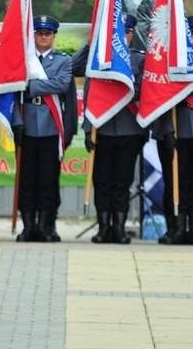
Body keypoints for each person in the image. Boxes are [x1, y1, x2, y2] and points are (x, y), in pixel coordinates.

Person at [79, 14, 146, 244]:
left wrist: (117, 82)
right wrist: (88, 129)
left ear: (131, 34)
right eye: (120, 31)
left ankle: (119, 228)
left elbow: (141, 90)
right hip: (102, 127)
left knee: (123, 181)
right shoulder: (98, 56)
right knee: (103, 180)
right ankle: (103, 227)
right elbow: (80, 74)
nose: (124, 35)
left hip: (130, 128)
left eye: (127, 32)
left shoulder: (139, 59)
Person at [153, 15, 193, 246]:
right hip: (175, 128)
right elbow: (163, 89)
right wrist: (167, 130)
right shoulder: (170, 61)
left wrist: (183, 82)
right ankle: (177, 228)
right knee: (175, 181)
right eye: (192, 34)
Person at [13, 15, 75, 243]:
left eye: (47, 33)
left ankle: (47, 226)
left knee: (49, 180)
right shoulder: (23, 60)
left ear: (53, 37)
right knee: (26, 179)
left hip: (52, 128)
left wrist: (29, 85)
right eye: (39, 33)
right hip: (26, 126)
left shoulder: (63, 61)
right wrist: (15, 124)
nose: (43, 37)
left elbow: (61, 85)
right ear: (34, 36)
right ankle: (29, 226)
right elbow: (14, 92)